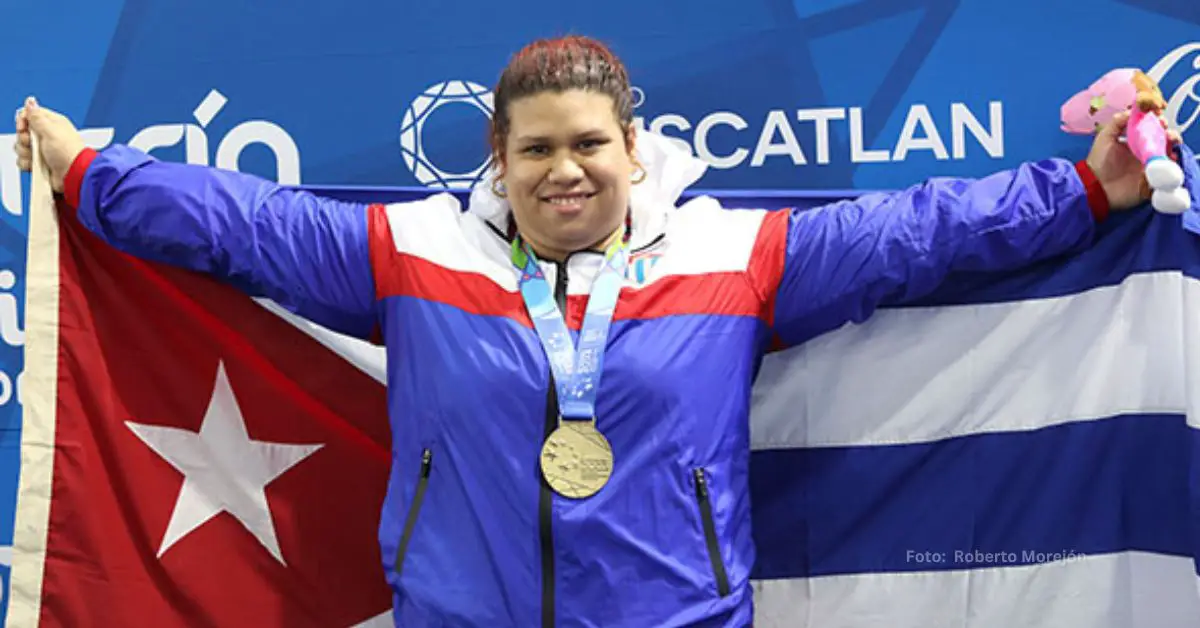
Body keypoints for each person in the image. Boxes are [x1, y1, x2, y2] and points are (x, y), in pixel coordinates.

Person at [14, 35, 1183, 627]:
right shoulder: (413, 255)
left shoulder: (739, 256)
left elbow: (915, 233)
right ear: (500, 162)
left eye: (587, 144)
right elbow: (243, 224)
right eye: (535, 149)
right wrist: (93, 172)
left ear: (634, 149)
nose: (563, 170)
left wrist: (1083, 195)